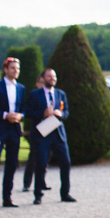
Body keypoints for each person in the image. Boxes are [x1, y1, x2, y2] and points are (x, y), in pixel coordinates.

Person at [26, 69, 75, 205]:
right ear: (42, 79)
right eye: (49, 76)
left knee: (66, 162)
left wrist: (61, 114)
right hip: (42, 134)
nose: (52, 78)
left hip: (58, 134)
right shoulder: (35, 94)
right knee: (40, 164)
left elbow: (66, 112)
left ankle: (65, 193)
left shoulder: (61, 94)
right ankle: (38, 195)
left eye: (54, 76)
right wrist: (43, 113)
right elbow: (28, 112)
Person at [0, 57, 26, 208]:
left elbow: (23, 108)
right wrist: (4, 115)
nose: (16, 71)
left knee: (11, 164)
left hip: (14, 129)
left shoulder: (21, 88)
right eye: (13, 68)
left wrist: (20, 115)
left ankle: (7, 197)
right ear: (5, 69)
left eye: (17, 68)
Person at [22, 74, 46, 193]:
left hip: (48, 130)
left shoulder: (49, 95)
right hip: (36, 131)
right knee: (33, 158)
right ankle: (27, 183)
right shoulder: (34, 95)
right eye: (41, 83)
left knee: (46, 158)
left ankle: (42, 181)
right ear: (37, 84)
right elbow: (28, 113)